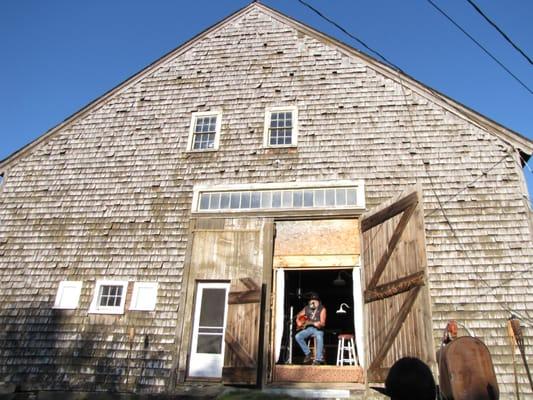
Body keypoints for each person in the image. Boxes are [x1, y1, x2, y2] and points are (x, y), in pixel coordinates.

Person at [295, 292, 327, 365]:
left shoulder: (322, 309)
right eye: (311, 301)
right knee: (298, 336)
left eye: (314, 301)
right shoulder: (307, 308)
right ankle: (308, 353)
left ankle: (318, 359)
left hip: (318, 330)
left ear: (318, 302)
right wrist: (298, 321)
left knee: (319, 337)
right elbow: (299, 315)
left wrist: (317, 324)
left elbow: (323, 323)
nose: (313, 303)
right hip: (309, 329)